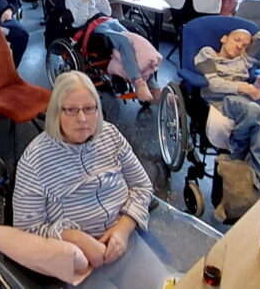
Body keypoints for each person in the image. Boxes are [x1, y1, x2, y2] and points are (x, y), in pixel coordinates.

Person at [13, 71, 164, 285]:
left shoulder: (110, 135)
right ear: (56, 112)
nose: (82, 119)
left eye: (89, 108)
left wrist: (124, 227)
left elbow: (142, 186)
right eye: (72, 110)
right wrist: (72, 236)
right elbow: (26, 230)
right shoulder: (36, 159)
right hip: (77, 261)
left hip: (124, 242)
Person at [194, 27, 260, 199]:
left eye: (245, 45)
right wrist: (245, 87)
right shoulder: (208, 54)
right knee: (257, 116)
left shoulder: (245, 60)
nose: (239, 46)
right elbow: (214, 85)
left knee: (257, 127)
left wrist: (254, 85)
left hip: (245, 101)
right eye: (236, 40)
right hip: (223, 99)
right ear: (224, 38)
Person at [64, 0, 158, 102]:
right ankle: (138, 82)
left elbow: (107, 12)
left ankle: (150, 80)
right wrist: (84, 2)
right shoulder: (70, 0)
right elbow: (79, 21)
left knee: (134, 39)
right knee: (123, 41)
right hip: (91, 27)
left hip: (107, 20)